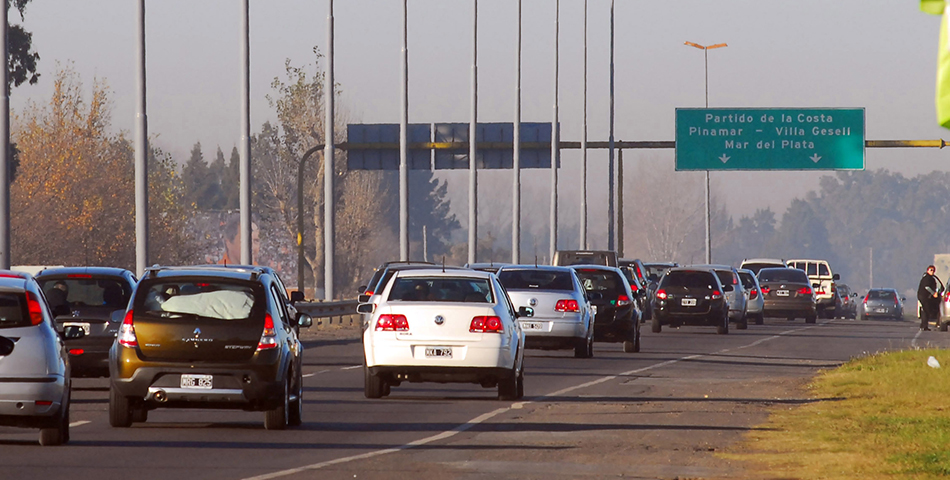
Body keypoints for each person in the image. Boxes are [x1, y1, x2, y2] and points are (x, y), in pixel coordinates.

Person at [917, 265, 942, 331]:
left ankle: (924, 325)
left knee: (926, 310)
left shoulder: (931, 278)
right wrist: (933, 293)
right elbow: (927, 287)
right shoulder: (927, 278)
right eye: (931, 270)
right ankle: (924, 326)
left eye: (933, 270)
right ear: (927, 270)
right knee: (926, 310)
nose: (932, 271)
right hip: (923, 296)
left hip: (926, 297)